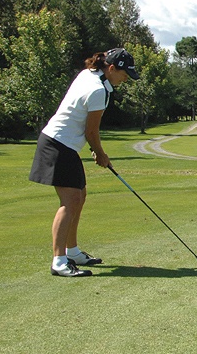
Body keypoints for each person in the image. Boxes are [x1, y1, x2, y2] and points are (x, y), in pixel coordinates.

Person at [29, 48, 139, 277]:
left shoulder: (88, 73)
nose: (126, 79)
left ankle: (73, 251)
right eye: (124, 74)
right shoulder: (98, 90)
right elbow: (91, 131)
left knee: (80, 195)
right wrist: (100, 153)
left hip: (62, 144)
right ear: (111, 68)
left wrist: (97, 151)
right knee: (70, 200)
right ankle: (59, 261)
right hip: (57, 144)